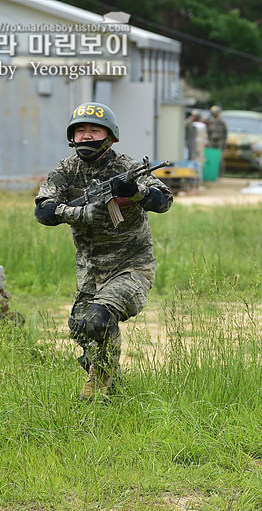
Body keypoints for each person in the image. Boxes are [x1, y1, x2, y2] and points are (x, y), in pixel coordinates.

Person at [34, 102, 173, 400]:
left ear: (110, 136)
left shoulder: (127, 168)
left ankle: (98, 386)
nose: (86, 136)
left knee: (99, 316)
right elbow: (43, 212)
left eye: (94, 130)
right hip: (90, 270)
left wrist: (135, 192)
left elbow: (163, 202)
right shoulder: (66, 171)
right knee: (82, 329)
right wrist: (80, 213)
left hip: (132, 266)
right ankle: (113, 388)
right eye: (80, 131)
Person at [206, 105, 228, 176]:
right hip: (211, 142)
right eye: (213, 112)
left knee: (220, 159)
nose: (215, 113)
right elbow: (207, 133)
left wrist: (223, 143)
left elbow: (225, 134)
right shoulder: (209, 122)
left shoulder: (222, 123)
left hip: (220, 142)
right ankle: (211, 174)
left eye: (216, 112)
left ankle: (220, 175)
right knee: (210, 158)